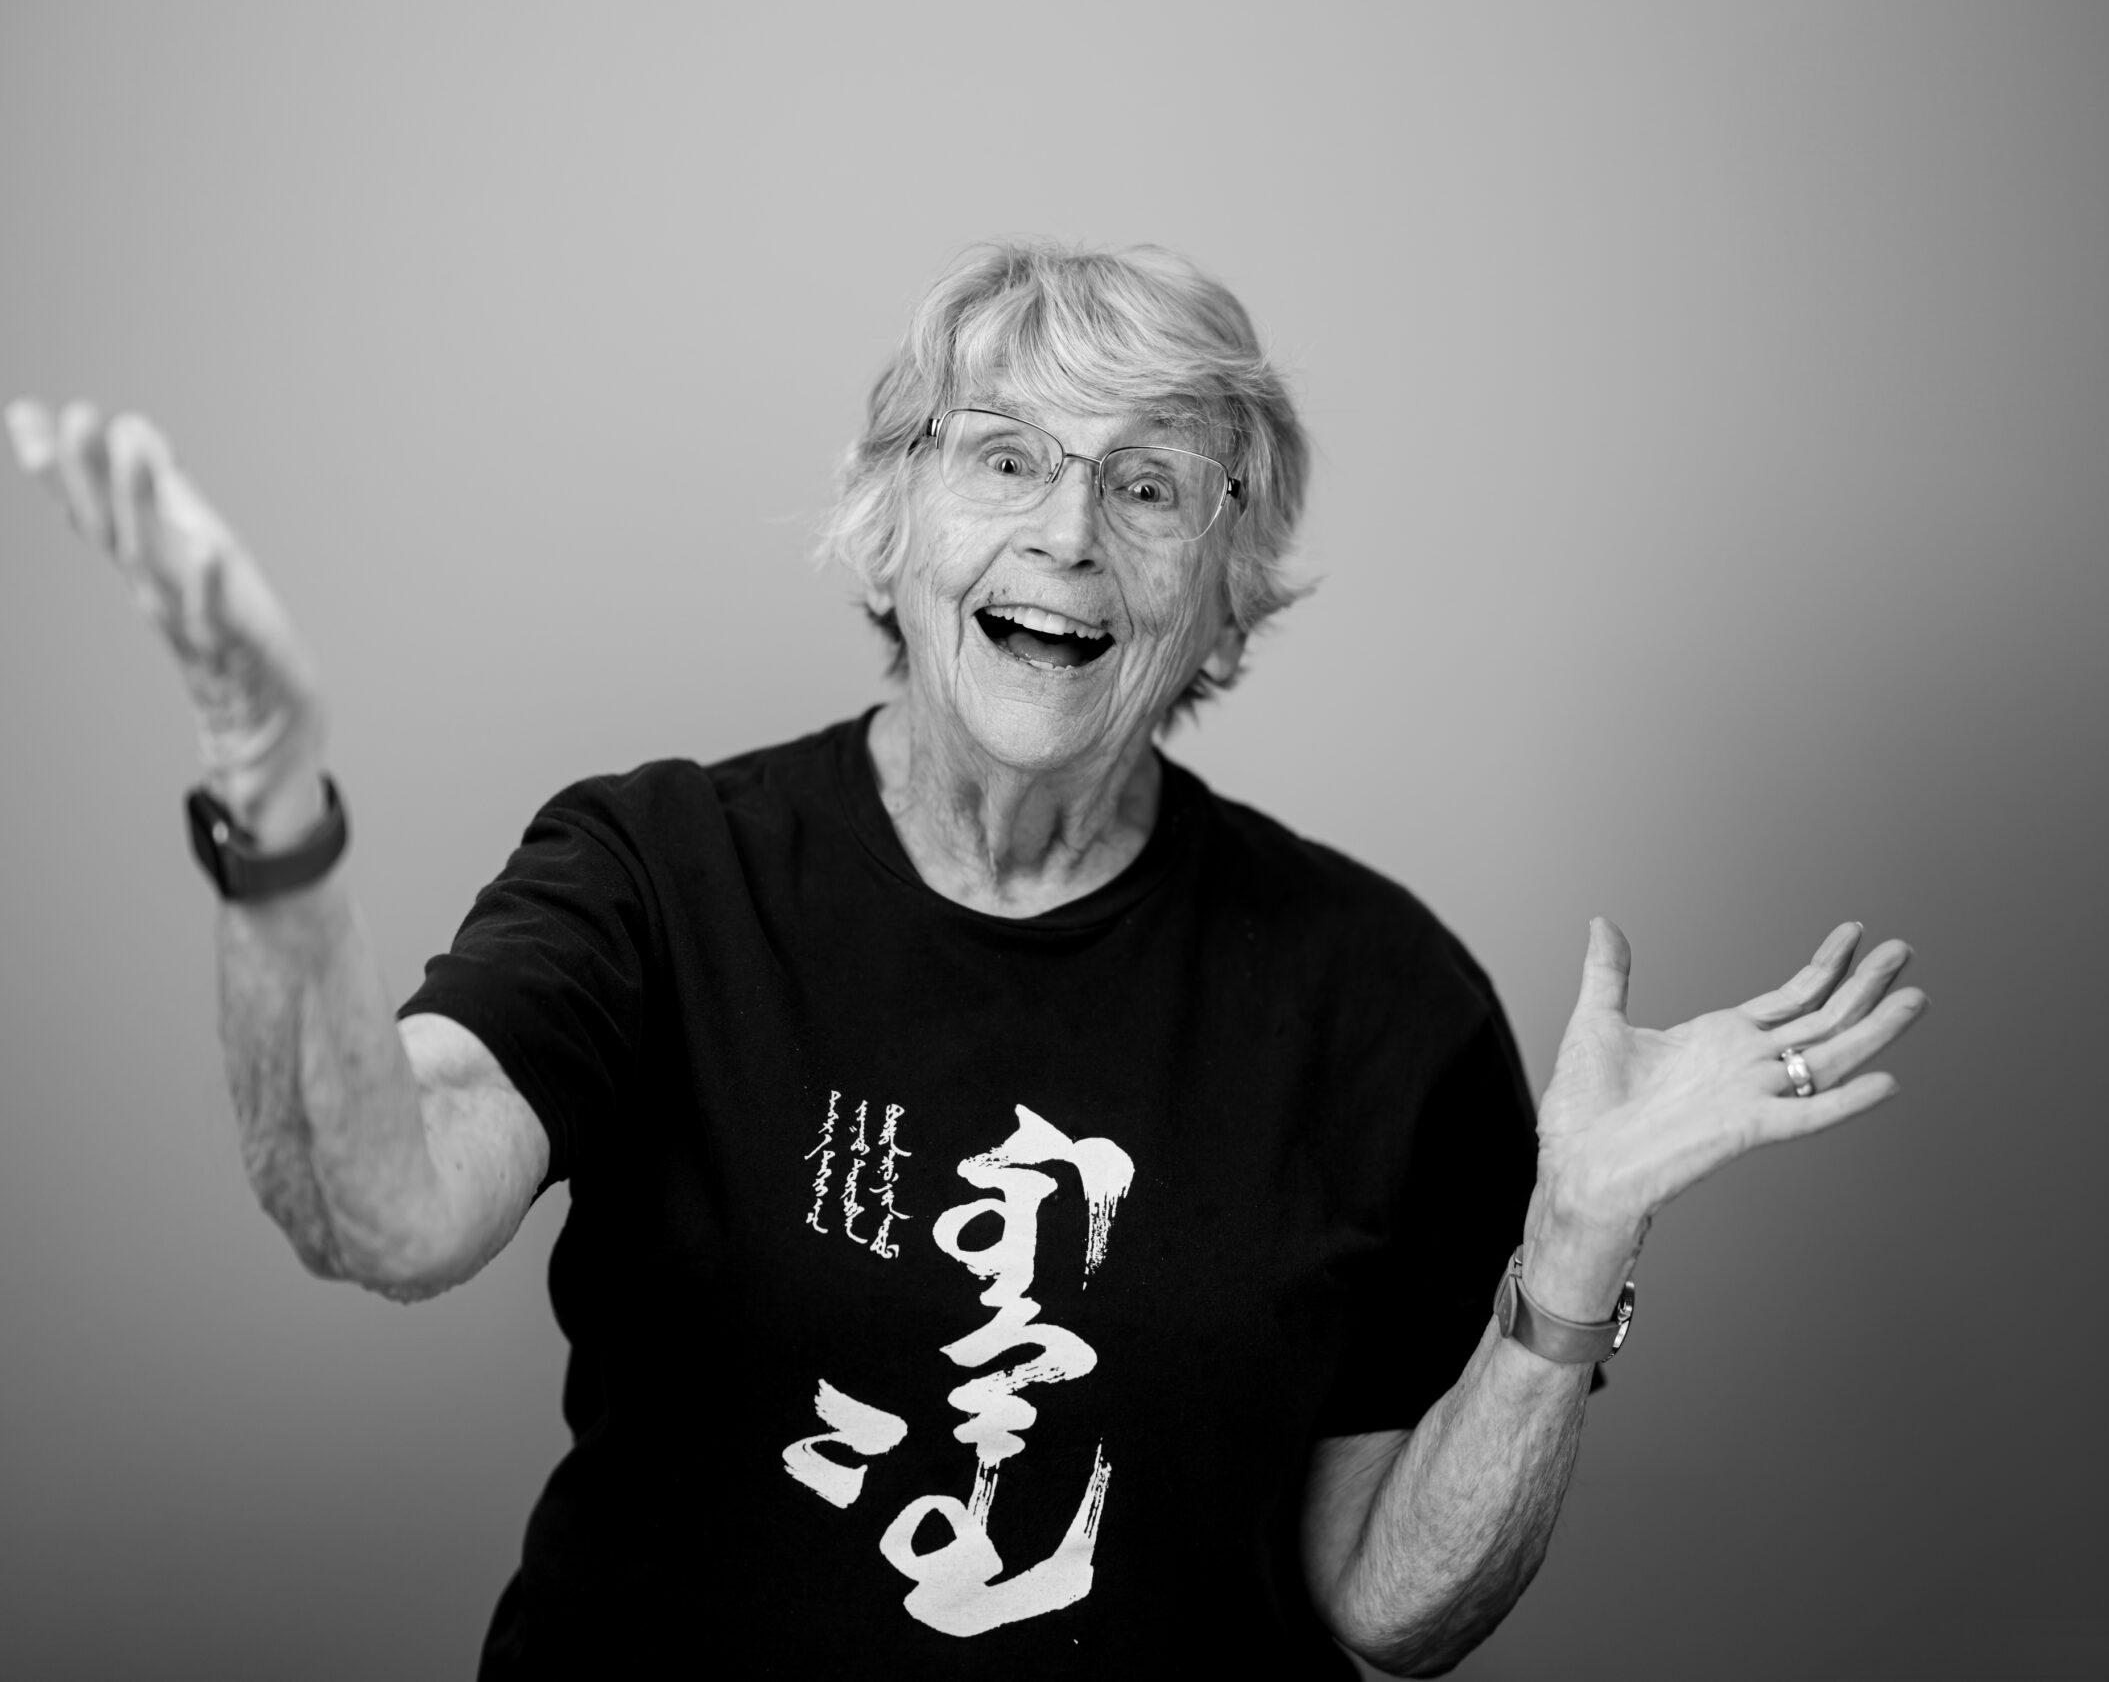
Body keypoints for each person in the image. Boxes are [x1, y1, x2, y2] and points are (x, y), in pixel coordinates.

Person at [7, 238, 1929, 1679]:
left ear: (1216, 586)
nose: (1070, 536)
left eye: (1150, 484)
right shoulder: (658, 871)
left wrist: (1575, 1249)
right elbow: (387, 1209)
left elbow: (1388, 1612)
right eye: (1003, 458)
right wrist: (275, 824)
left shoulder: (1382, 1001)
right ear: (896, 517)